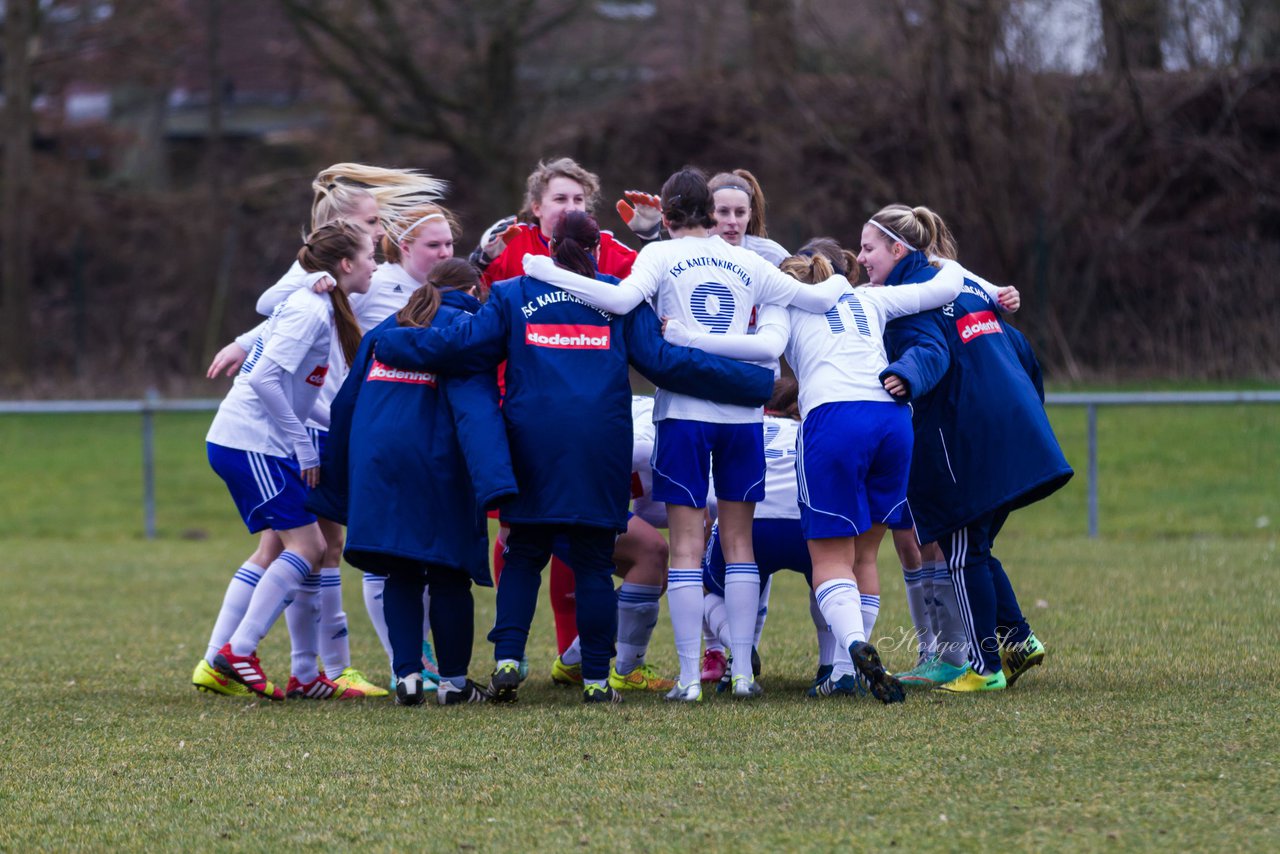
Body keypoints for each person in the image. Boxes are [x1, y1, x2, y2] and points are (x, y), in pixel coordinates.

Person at [376, 210, 777, 704]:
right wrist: (757, 383)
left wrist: (387, 341)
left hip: (532, 444)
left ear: (550, 248)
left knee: (523, 553)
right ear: (593, 250)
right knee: (591, 561)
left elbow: (461, 344)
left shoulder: (513, 293)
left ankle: (506, 658)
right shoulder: (617, 296)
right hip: (599, 445)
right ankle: (594, 680)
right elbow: (667, 363)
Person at [523, 167, 851, 701]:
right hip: (743, 417)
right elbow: (818, 299)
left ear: (669, 215)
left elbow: (620, 302)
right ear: (709, 213)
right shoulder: (747, 259)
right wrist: (840, 277)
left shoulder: (659, 254)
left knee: (686, 546)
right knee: (739, 544)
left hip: (683, 415)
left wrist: (545, 269)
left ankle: (687, 679)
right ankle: (743, 674)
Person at [195, 165, 448, 700]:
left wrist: (246, 339)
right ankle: (256, 659)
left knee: (297, 547)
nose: (382, 237)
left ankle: (297, 669)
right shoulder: (323, 292)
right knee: (314, 545)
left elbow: (280, 317)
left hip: (305, 428)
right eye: (374, 225)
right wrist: (252, 345)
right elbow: (275, 309)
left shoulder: (346, 288)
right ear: (344, 249)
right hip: (287, 433)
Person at [873, 204, 1072, 692]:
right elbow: (1024, 354)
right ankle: (1020, 640)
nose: (860, 258)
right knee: (978, 548)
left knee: (961, 552)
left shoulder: (907, 304)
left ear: (898, 250)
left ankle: (986, 670)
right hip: (1021, 438)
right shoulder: (969, 294)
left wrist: (906, 376)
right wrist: (1028, 420)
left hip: (972, 446)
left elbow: (931, 355)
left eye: (867, 248)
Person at [308, 259, 514, 706]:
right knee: (448, 571)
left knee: (399, 567)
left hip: (376, 461)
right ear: (476, 291)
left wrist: (337, 474)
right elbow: (478, 407)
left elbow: (345, 403)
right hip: (438, 459)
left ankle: (408, 678)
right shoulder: (469, 332)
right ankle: (456, 684)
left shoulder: (386, 328)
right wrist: (496, 475)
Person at [202, 221, 376, 700]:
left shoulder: (320, 302)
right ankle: (236, 651)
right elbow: (263, 382)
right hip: (250, 441)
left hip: (260, 442)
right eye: (370, 256)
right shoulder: (310, 310)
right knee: (306, 547)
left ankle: (302, 673)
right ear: (345, 264)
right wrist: (301, 445)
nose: (375, 266)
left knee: (313, 547)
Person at [708, 169, 789, 265]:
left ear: (749, 215)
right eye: (723, 211)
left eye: (740, 212)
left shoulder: (772, 256)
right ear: (707, 213)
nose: (732, 221)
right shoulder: (692, 252)